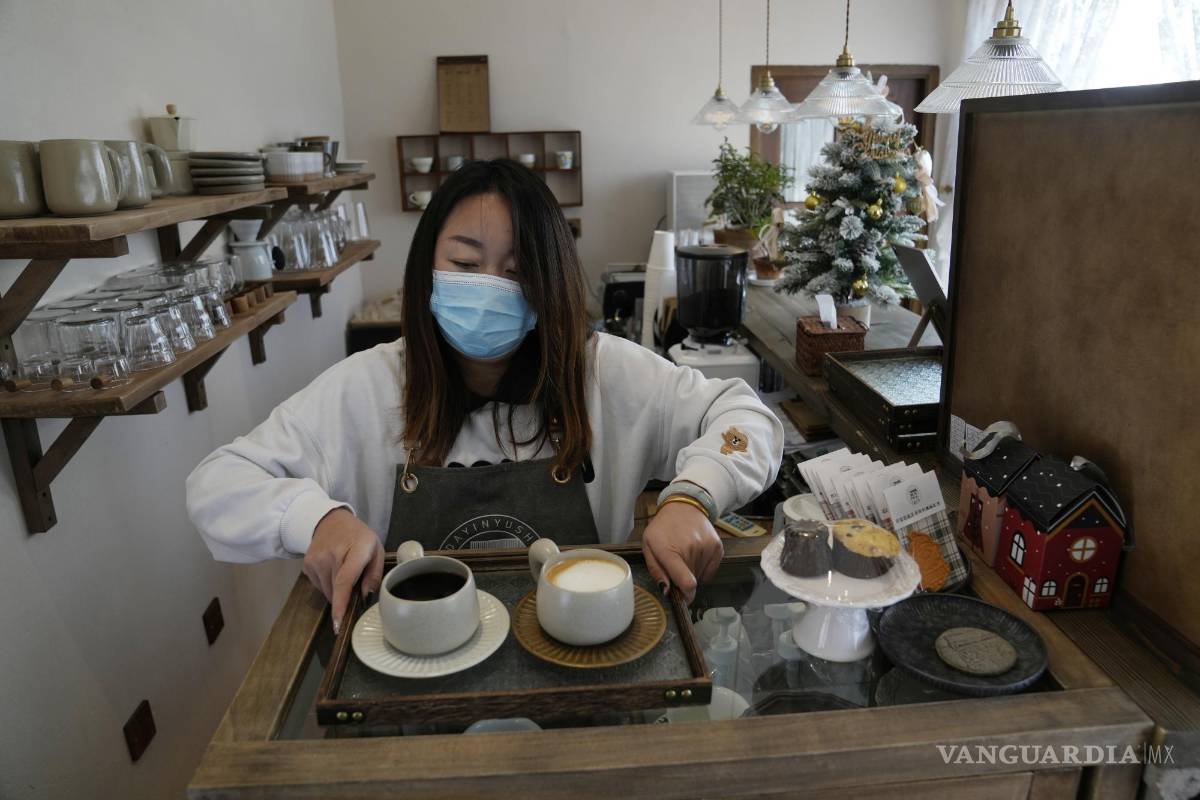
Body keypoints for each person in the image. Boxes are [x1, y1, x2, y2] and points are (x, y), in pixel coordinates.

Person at [187, 159, 783, 631]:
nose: (490, 288)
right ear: (427, 266)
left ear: (550, 280)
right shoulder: (367, 387)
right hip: (417, 663)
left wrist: (693, 497)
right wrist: (317, 520)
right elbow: (219, 483)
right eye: (466, 263)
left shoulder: (603, 372)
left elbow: (744, 419)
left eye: (517, 272)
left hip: (581, 653)